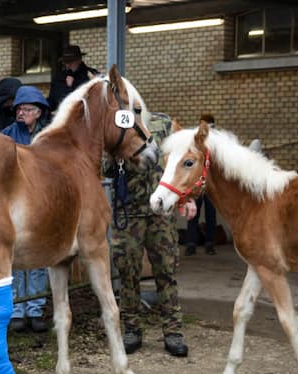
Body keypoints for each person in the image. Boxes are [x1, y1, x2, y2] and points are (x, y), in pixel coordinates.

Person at [105, 112, 196, 357]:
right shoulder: (120, 128)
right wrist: (119, 156)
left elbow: (184, 162)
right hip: (130, 213)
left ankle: (173, 332)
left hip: (161, 213)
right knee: (128, 274)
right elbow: (106, 168)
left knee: (166, 272)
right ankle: (132, 330)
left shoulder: (165, 124)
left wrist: (186, 199)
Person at [0, 86, 51, 332]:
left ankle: (36, 309)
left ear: (39, 112)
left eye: (27, 109)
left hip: (42, 204)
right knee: (16, 258)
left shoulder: (50, 136)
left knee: (39, 258)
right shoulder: (6, 136)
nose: (22, 113)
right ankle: (17, 309)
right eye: (19, 109)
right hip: (15, 204)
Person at [186, 114, 218, 256]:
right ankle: (191, 243)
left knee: (211, 214)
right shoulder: (196, 140)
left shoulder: (217, 141)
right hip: (198, 182)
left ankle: (210, 243)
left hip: (210, 183)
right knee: (193, 212)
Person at [47, 45, 99, 112]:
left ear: (79, 60)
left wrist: (71, 87)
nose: (67, 65)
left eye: (70, 62)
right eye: (65, 62)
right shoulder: (58, 78)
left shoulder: (92, 75)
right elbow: (53, 101)